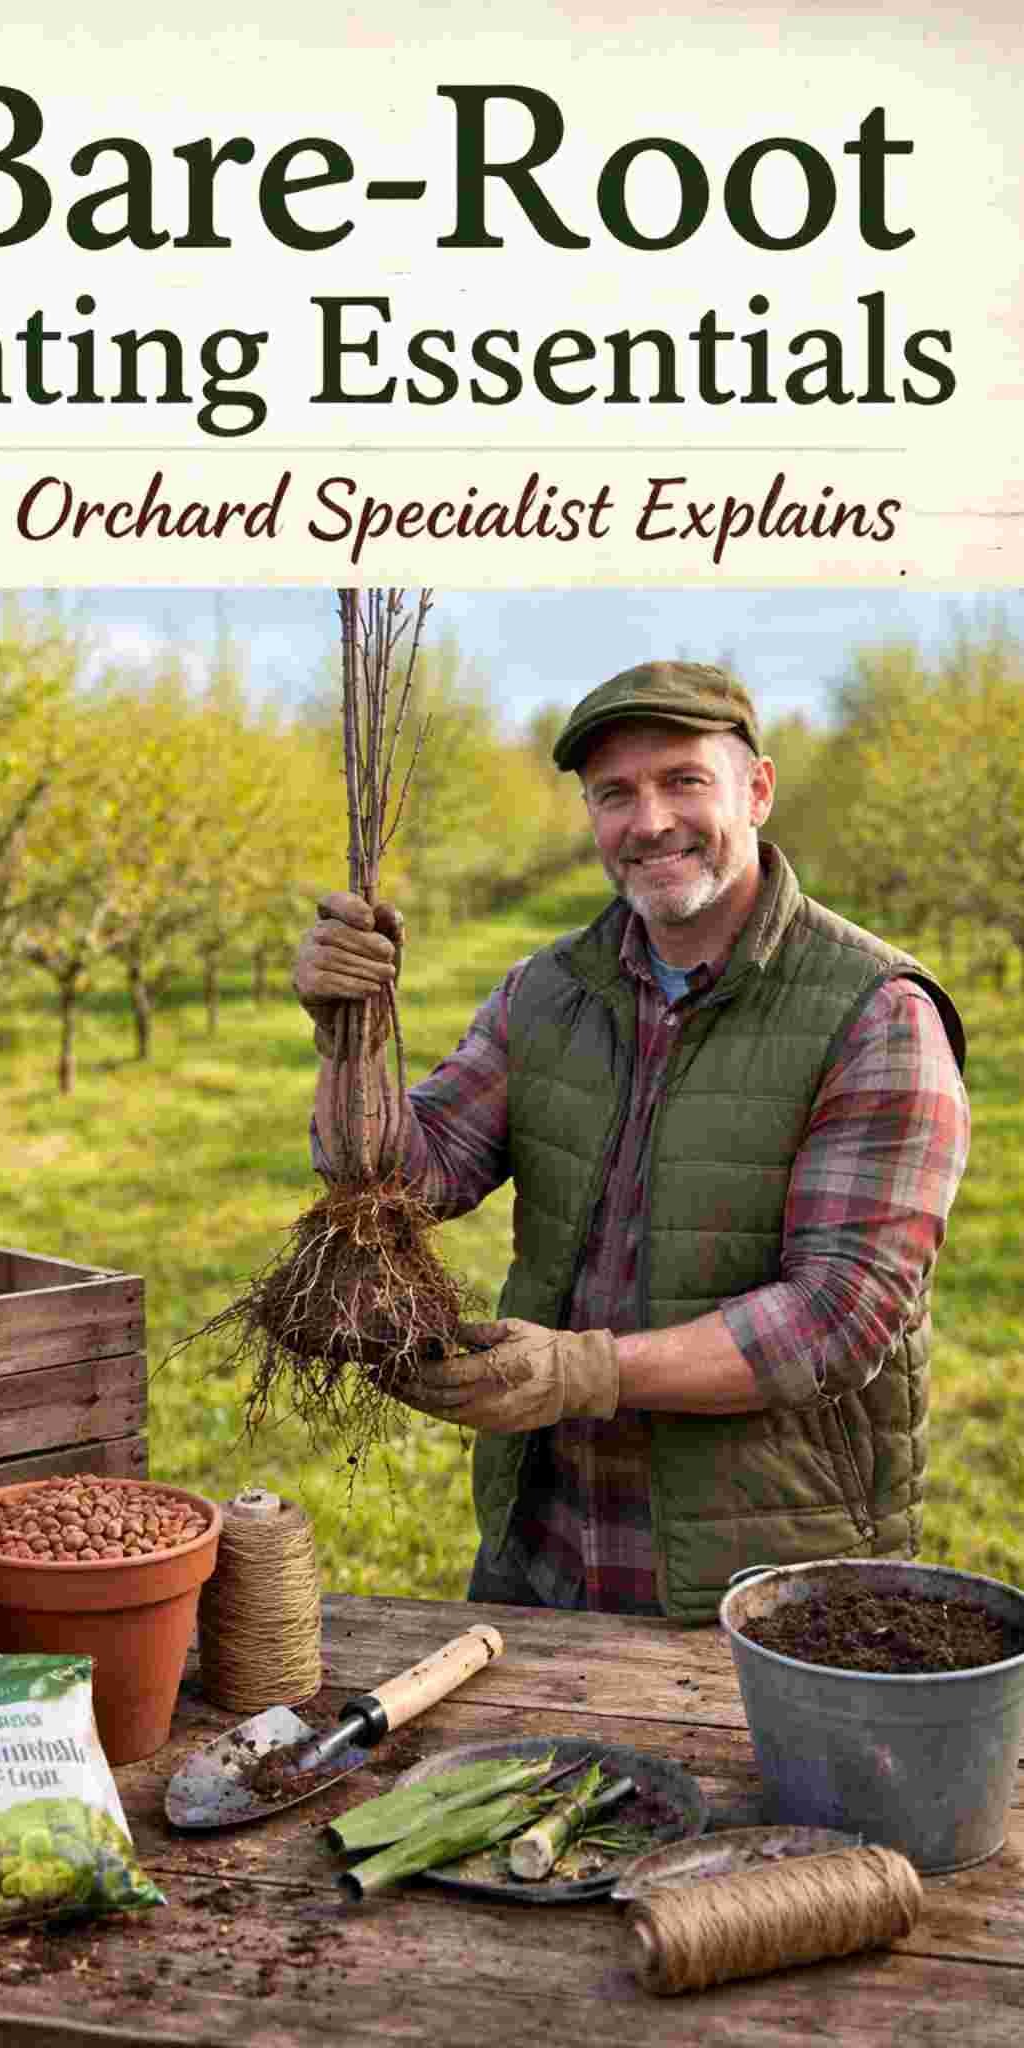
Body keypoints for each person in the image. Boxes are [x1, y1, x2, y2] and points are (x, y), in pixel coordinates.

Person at [292, 660, 971, 1622]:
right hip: (545, 1548)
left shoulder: (872, 1014)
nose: (647, 821)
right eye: (614, 792)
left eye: (682, 780)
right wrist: (350, 1038)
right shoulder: (549, 990)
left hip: (759, 1580)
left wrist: (583, 1372)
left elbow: (840, 1315)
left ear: (758, 790)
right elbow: (410, 1174)